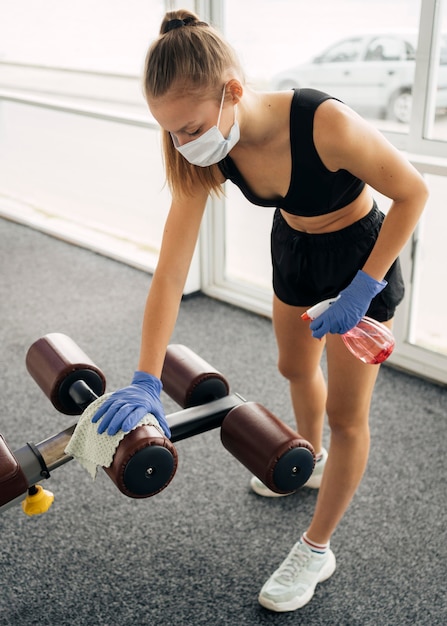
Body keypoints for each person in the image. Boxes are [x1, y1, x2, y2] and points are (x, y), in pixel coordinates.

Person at [91, 9, 428, 613]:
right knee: (294, 369)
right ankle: (315, 458)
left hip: (359, 257)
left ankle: (316, 548)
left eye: (191, 128)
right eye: (171, 133)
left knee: (351, 415)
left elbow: (413, 192)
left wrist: (362, 289)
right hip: (294, 248)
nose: (184, 144)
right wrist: (145, 376)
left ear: (234, 93)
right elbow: (171, 271)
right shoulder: (206, 150)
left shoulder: (323, 122)